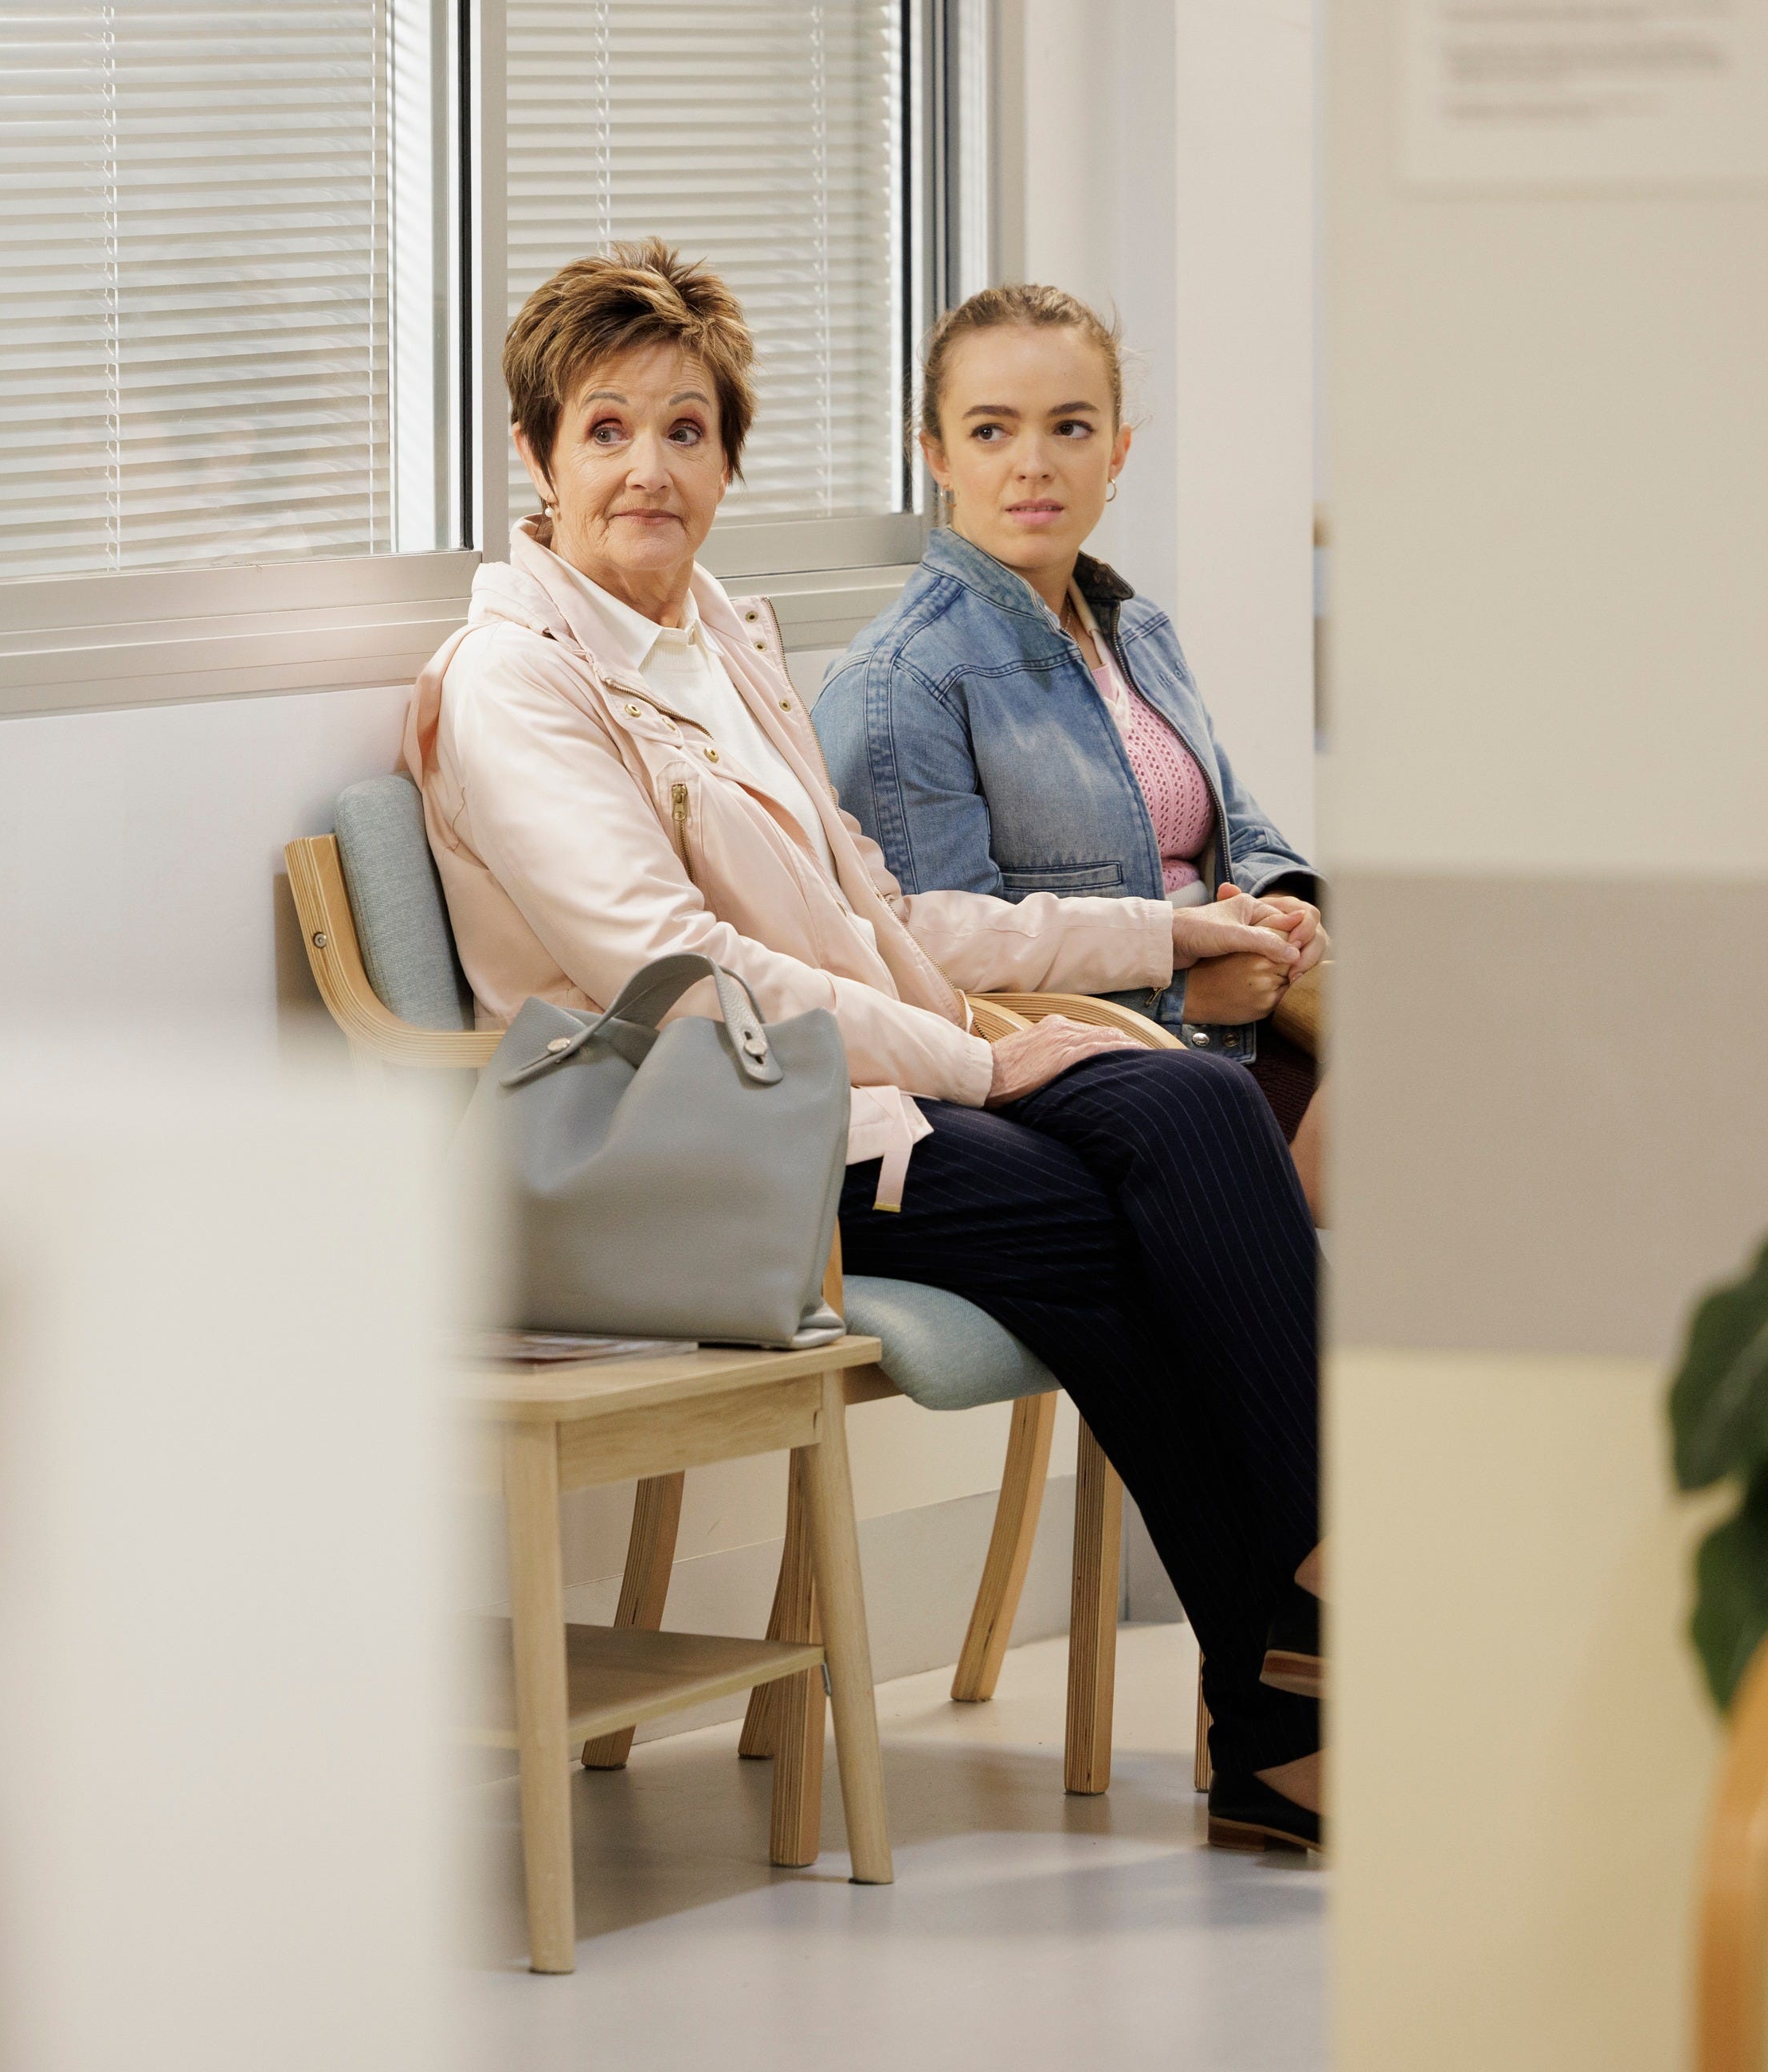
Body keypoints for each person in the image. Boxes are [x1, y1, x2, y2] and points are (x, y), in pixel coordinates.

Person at [401, 241, 1328, 1850]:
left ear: (729, 459)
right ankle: (1296, 1683)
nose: (650, 467)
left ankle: (1298, 1654)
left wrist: (1063, 985)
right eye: (607, 429)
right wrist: (972, 1064)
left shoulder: (719, 641)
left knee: (1188, 1107)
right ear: (536, 458)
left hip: (865, 1086)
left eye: (687, 431)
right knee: (1108, 1215)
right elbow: (683, 976)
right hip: (701, 1136)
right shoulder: (514, 682)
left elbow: (880, 903)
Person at [813, 284, 1331, 1216]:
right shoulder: (899, 683)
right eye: (990, 432)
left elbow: (1244, 835)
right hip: (1112, 1080)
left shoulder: (1138, 630)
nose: (1034, 466)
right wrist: (1187, 998)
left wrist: (1286, 913)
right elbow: (933, 970)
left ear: (1119, 449)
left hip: (1246, 1030)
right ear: (932, 454)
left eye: (1071, 428)